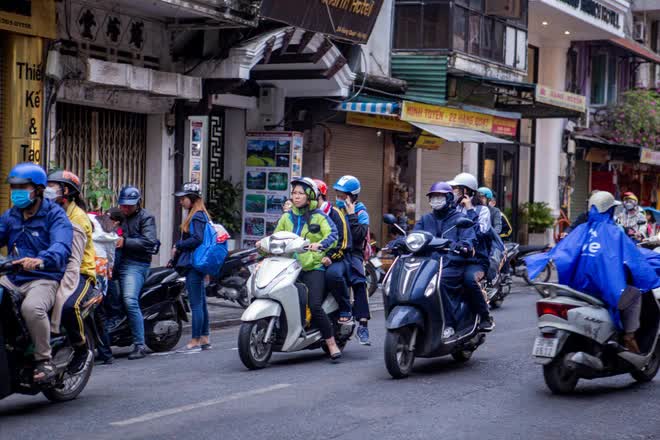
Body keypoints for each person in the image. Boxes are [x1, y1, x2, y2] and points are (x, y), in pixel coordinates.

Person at [527, 191, 660, 353]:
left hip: (578, 288)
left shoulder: (580, 230)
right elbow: (636, 259)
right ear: (610, 211)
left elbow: (563, 253)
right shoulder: (614, 233)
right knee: (635, 294)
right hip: (604, 290)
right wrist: (651, 275)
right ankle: (629, 336)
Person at [0, 163, 73, 383]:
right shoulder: (11, 215)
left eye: (22, 187)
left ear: (38, 189)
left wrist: (41, 259)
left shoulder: (55, 215)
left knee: (32, 308)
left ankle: (44, 359)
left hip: (42, 278)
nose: (17, 192)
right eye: (14, 187)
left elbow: (62, 246)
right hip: (12, 277)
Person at [265, 177, 342, 360]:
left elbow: (333, 234)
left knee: (314, 305)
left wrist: (320, 245)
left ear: (310, 197)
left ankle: (331, 342)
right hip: (289, 266)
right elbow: (276, 237)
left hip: (312, 267)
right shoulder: (286, 217)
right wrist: (264, 245)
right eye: (294, 193)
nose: (296, 196)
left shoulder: (319, 217)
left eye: (300, 193)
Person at [45, 170, 97, 374]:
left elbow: (73, 262)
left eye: (53, 187)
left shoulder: (77, 219)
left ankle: (81, 349)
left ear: (66, 192)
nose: (48, 191)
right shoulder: (48, 212)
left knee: (68, 306)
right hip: (52, 270)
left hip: (79, 273)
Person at [412, 182, 476, 330]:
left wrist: (462, 245)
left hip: (451, 264)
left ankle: (449, 324)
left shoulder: (459, 218)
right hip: (428, 264)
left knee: (439, 284)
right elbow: (415, 236)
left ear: (448, 198)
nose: (436, 200)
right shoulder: (425, 219)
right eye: (433, 197)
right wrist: (399, 243)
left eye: (439, 196)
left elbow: (468, 239)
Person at [115, 185, 160, 360]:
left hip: (136, 264)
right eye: (123, 205)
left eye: (129, 205)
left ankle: (139, 344)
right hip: (116, 263)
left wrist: (124, 242)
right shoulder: (118, 216)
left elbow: (149, 242)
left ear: (138, 204)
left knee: (129, 300)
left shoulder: (146, 217)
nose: (125, 208)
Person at [448, 173, 495, 332]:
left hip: (476, 260)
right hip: (453, 257)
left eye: (456, 188)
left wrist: (469, 210)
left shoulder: (482, 210)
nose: (453, 191)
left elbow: (480, 233)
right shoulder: (452, 208)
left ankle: (484, 316)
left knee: (469, 280)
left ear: (466, 191)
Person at [171, 183, 212, 353]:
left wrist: (178, 245)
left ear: (192, 199)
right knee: (201, 302)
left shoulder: (196, 217)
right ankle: (204, 337)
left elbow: (197, 239)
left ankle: (195, 339)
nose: (181, 201)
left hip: (194, 264)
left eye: (183, 198)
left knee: (196, 303)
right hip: (198, 263)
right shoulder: (200, 215)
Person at [333, 175, 372, 345]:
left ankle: (362, 323)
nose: (339, 198)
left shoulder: (361, 212)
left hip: (354, 253)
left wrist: (351, 215)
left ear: (353, 196)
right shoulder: (334, 210)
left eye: (343, 195)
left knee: (358, 280)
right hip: (336, 251)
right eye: (338, 194)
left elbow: (358, 236)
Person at [313, 179, 353, 324]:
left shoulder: (335, 213)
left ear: (319, 195)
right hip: (310, 258)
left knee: (333, 275)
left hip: (338, 258)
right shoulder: (302, 214)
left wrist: (330, 256)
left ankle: (345, 307)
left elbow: (344, 242)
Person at [88, 210, 121, 365]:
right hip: (100, 272)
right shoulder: (111, 235)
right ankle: (105, 352)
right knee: (99, 314)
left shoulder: (89, 221)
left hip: (83, 270)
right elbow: (111, 258)